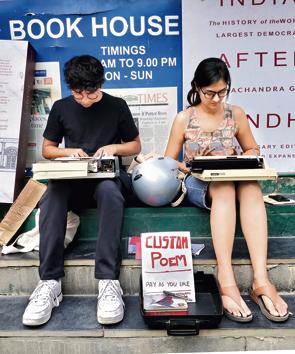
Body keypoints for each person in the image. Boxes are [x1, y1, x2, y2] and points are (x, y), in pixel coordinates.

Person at [165, 57, 290, 322]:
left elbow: (252, 149)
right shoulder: (184, 118)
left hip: (232, 176)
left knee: (252, 189)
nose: (216, 98)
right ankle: (226, 277)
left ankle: (260, 280)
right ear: (197, 87)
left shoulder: (237, 113)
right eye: (209, 92)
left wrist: (244, 156)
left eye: (222, 92)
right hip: (199, 182)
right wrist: (193, 165)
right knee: (222, 188)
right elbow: (169, 162)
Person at [22, 55, 141, 326]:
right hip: (72, 179)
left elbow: (135, 146)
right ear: (70, 88)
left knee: (111, 192)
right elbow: (47, 149)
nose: (85, 99)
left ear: (100, 84)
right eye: (78, 94)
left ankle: (109, 282)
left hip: (105, 180)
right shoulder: (62, 108)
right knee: (52, 194)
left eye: (91, 93)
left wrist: (114, 148)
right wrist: (68, 152)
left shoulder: (116, 106)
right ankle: (49, 282)